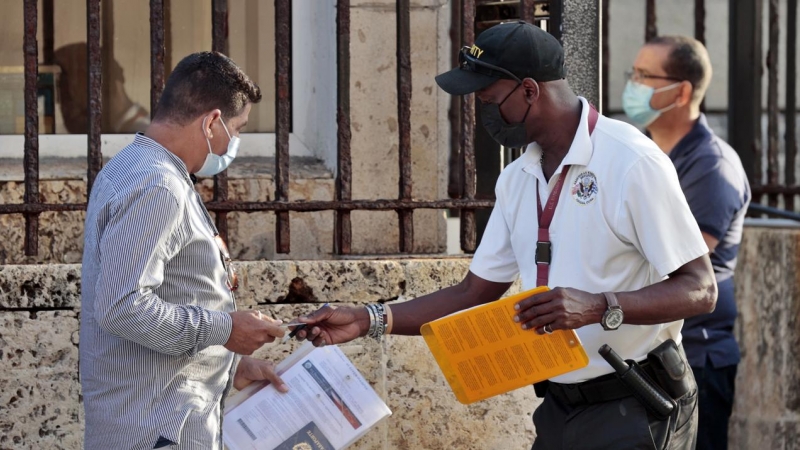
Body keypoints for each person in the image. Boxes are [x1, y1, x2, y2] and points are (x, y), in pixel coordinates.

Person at [292, 21, 718, 449]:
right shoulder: (518, 177)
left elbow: (700, 290)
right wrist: (368, 318)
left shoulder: (631, 161)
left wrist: (598, 306)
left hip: (637, 404)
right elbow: (472, 293)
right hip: (559, 408)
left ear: (530, 91)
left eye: (489, 100)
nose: (482, 113)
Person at [80, 51, 288, 450]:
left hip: (158, 419)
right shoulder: (157, 186)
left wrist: (231, 367)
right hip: (156, 429)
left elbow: (175, 295)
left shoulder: (135, 168)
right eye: (238, 129)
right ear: (211, 122)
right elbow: (122, 307)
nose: (237, 142)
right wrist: (226, 329)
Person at [624, 35, 751, 450]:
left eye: (644, 76)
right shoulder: (643, 154)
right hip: (647, 353)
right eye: (633, 73)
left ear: (680, 91)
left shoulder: (711, 166)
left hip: (693, 358)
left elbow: (677, 264)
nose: (633, 83)